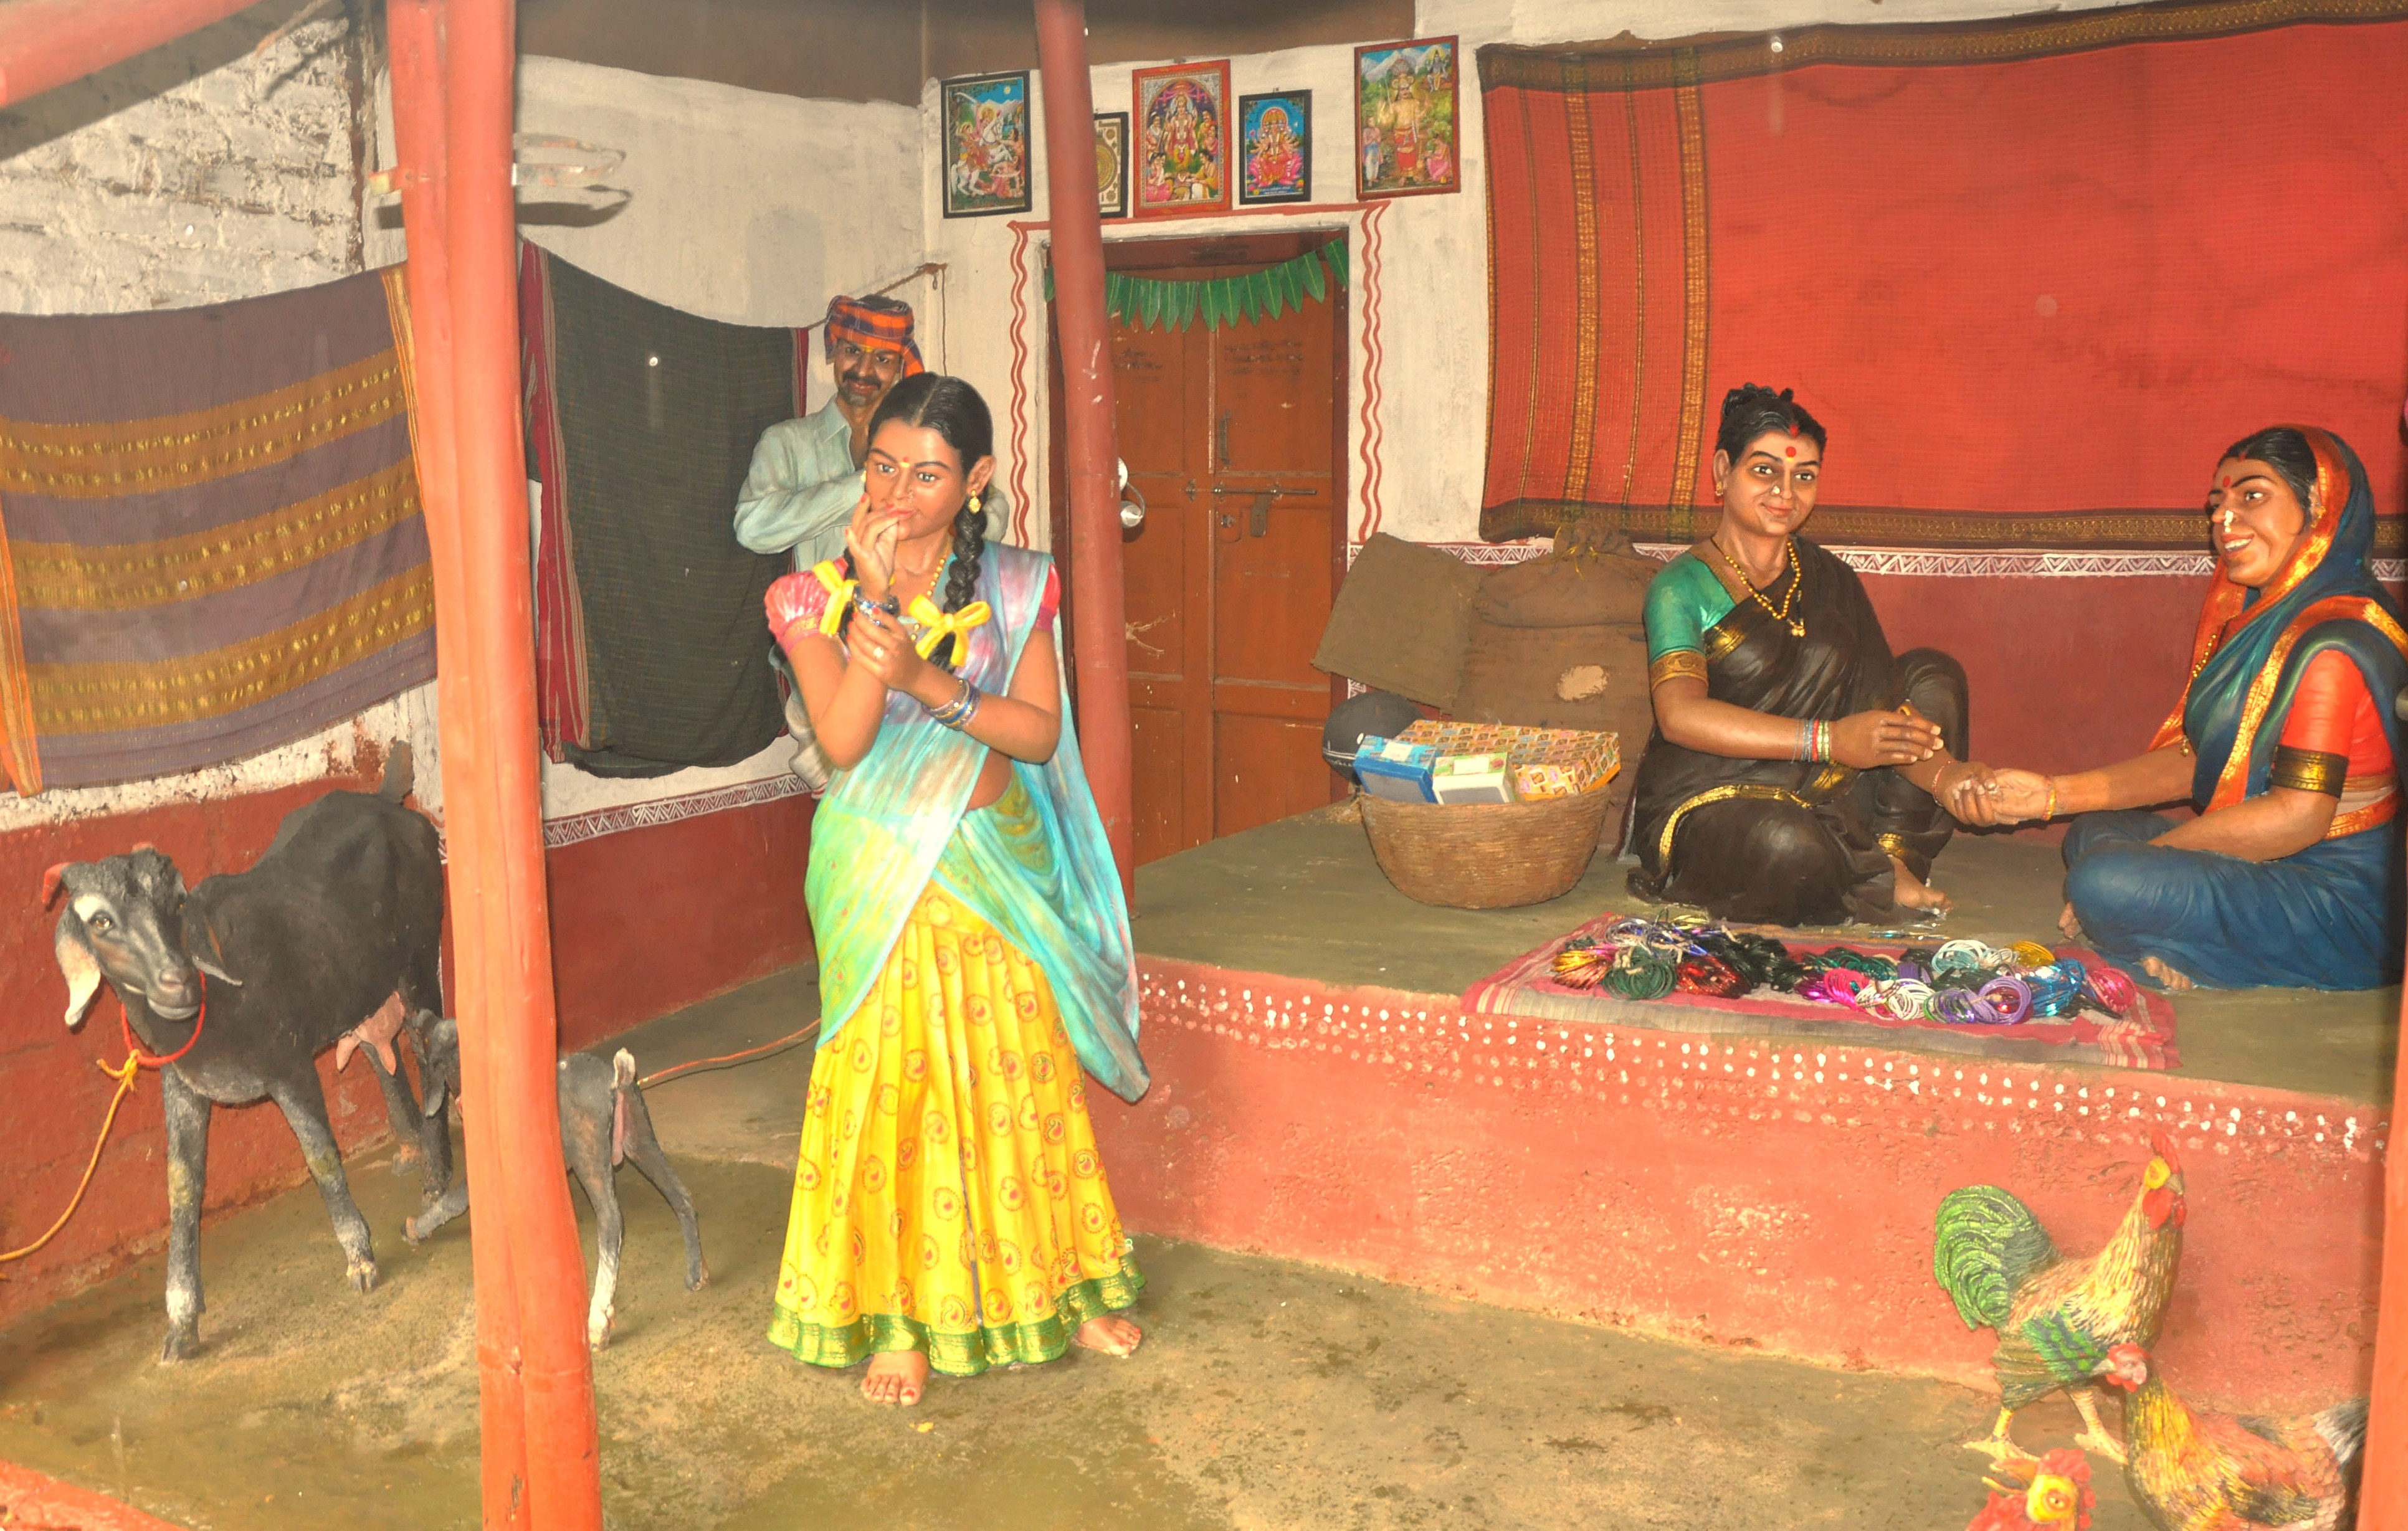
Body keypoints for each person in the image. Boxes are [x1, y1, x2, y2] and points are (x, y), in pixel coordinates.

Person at [761, 373, 1146, 1407]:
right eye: (882, 467)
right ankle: (899, 1318)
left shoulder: (1016, 585)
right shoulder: (809, 594)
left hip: (990, 857)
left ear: (976, 479)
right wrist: (877, 615)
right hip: (875, 864)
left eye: (928, 473)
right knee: (897, 1082)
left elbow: (1037, 732)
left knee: (1016, 1071)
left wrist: (935, 682)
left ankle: (1062, 1287)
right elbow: (843, 742)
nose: (899, 491)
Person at [1962, 427, 2406, 990]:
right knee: (2094, 834)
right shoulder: (2265, 620)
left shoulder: (2333, 643)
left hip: (2338, 901)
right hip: (2268, 865)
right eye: (2217, 504)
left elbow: (2298, 817)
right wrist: (2051, 795)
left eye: (2252, 496)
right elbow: (2197, 757)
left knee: (2108, 878)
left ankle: (2187, 953)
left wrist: (2156, 859)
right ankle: (2168, 941)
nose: (2224, 520)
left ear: (2319, 506)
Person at [1630, 384, 1987, 924]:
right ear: (1722, 471)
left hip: (1830, 791)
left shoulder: (1830, 579)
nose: (1784, 491)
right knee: (1787, 848)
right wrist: (1829, 741)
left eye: (1803, 476)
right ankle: (1860, 870)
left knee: (1930, 673)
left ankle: (1890, 854)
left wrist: (1951, 779)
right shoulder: (1681, 586)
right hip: (1714, 797)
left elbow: (1888, 713)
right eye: (1763, 470)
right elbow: (1678, 717)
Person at [733, 294, 1008, 573]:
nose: (864, 370)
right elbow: (753, 530)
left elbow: (992, 517)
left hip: (916, 612)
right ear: (835, 353)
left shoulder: (924, 440)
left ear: (899, 368)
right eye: (852, 351)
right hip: (825, 613)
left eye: (882, 359)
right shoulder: (788, 442)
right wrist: (865, 484)